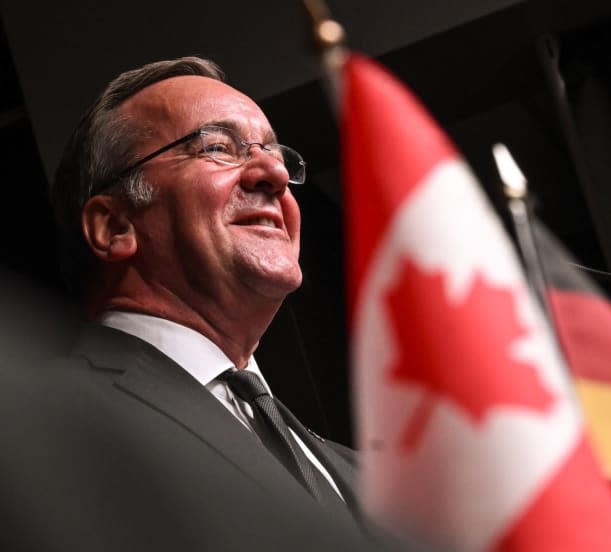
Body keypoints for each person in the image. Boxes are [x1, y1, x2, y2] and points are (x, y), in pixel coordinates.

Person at [2, 55, 435, 551]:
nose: (274, 172)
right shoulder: (37, 424)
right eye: (217, 147)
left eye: (276, 154)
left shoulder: (364, 480)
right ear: (114, 226)